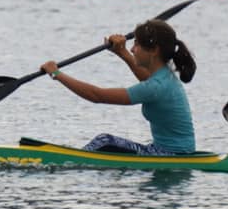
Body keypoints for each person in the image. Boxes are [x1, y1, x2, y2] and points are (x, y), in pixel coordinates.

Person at [40, 19, 197, 155]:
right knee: (106, 143)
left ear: (154, 51)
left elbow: (97, 95)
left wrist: (56, 74)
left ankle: (69, 160)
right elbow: (145, 78)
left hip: (168, 155)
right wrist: (121, 52)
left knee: (104, 141)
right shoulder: (164, 76)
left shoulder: (156, 86)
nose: (132, 49)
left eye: (136, 44)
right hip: (174, 152)